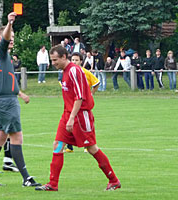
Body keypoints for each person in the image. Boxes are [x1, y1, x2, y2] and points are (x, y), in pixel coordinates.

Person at [35, 45, 120, 191]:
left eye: (55, 60)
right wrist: (67, 116)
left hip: (81, 116)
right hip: (68, 114)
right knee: (57, 145)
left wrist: (72, 117)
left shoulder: (74, 71)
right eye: (51, 60)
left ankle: (113, 180)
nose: (53, 63)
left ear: (64, 57)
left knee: (91, 148)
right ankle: (52, 184)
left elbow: (79, 97)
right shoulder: (64, 72)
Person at [0, 12, 40, 187]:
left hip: (4, 100)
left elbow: (8, 82)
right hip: (6, 102)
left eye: (13, 37)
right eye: (10, 37)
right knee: (17, 137)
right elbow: (5, 37)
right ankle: (26, 178)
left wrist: (20, 94)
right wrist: (9, 23)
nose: (11, 39)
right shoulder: (0, 51)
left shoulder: (2, 57)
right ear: (1, 39)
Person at [64, 52, 100, 153]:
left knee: (83, 124)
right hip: (72, 104)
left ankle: (87, 145)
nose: (74, 62)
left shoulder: (85, 72)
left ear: (81, 61)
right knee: (70, 124)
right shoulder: (68, 72)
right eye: (73, 60)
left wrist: (91, 94)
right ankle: (69, 147)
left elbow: (96, 83)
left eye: (76, 60)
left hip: (83, 104)